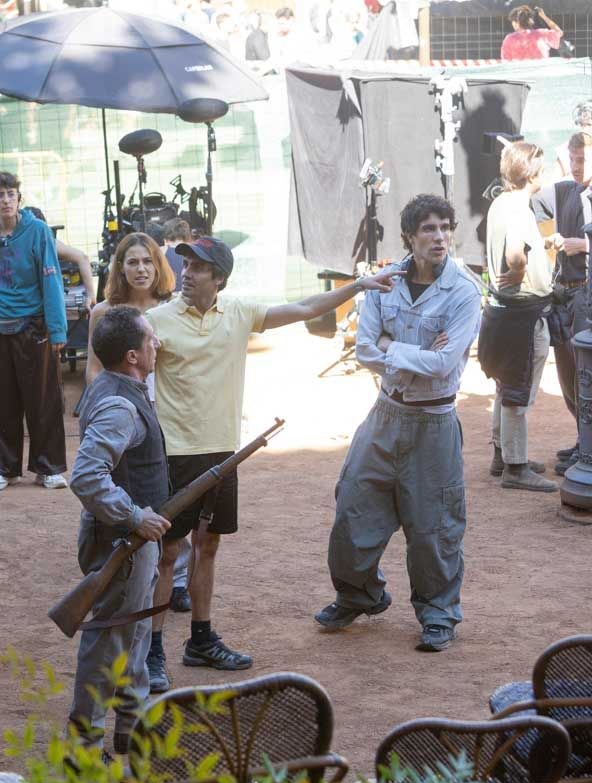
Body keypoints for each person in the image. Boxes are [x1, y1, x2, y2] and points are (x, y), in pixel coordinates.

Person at [144, 235, 401, 686]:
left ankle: (200, 639)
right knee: (168, 553)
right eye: (187, 265)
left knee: (209, 546)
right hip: (174, 453)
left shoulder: (240, 312)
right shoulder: (156, 321)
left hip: (223, 451)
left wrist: (359, 286)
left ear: (219, 278)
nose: (187, 273)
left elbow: (304, 307)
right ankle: (152, 650)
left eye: (198, 267)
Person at [317, 195, 482, 653]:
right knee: (352, 507)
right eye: (429, 228)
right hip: (384, 415)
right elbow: (363, 349)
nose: (440, 237)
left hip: (435, 422)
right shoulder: (384, 282)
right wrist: (412, 353)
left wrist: (392, 347)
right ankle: (359, 595)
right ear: (410, 236)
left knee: (434, 527)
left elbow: (444, 364)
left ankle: (438, 615)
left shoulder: (465, 291)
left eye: (445, 227)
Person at [68, 305, 170, 760]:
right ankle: (85, 746)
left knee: (135, 632)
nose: (157, 345)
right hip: (122, 542)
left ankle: (131, 725)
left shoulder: (114, 386)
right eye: (150, 340)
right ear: (132, 355)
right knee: (109, 640)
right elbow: (87, 476)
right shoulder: (120, 405)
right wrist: (133, 517)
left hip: (128, 541)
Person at [0, 171, 68, 491]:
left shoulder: (37, 231)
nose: (6, 200)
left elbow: (51, 280)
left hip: (33, 324)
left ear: (19, 198)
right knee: (2, 400)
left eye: (10, 194)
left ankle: (48, 468)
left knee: (43, 399)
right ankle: (4, 469)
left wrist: (58, 330)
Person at [480, 141, 556, 492]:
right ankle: (515, 467)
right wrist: (520, 268)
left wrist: (541, 246)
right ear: (532, 173)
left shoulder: (500, 201)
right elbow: (514, 253)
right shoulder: (520, 209)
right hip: (523, 316)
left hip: (504, 314)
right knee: (517, 393)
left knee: (505, 387)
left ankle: (504, 455)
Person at [534, 131, 592, 474]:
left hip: (587, 293)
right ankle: (582, 438)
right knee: (569, 374)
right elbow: (528, 198)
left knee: (586, 374)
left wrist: (582, 245)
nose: (575, 165)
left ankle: (588, 445)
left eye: (582, 159)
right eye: (572, 159)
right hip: (565, 293)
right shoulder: (565, 189)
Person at [85, 232, 175, 387]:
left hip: (168, 398)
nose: (141, 269)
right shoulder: (103, 312)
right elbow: (94, 370)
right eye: (132, 262)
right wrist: (105, 399)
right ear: (121, 267)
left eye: (148, 261)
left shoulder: (173, 306)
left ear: (157, 264)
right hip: (122, 398)